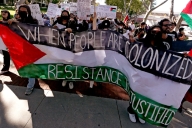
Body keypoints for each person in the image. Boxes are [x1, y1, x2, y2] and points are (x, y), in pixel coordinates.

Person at [8, 5, 38, 95]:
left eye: (24, 10)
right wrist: (11, 23)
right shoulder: (17, 21)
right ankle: (31, 79)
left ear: (28, 11)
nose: (22, 12)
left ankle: (30, 85)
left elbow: (36, 31)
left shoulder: (34, 21)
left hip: (31, 46)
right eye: (21, 11)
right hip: (20, 47)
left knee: (30, 65)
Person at [0, 10, 11, 75]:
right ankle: (5, 68)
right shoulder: (1, 22)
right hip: (3, 41)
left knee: (8, 54)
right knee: (5, 54)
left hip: (10, 41)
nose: (3, 13)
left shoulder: (11, 22)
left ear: (8, 14)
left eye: (5, 12)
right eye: (2, 12)